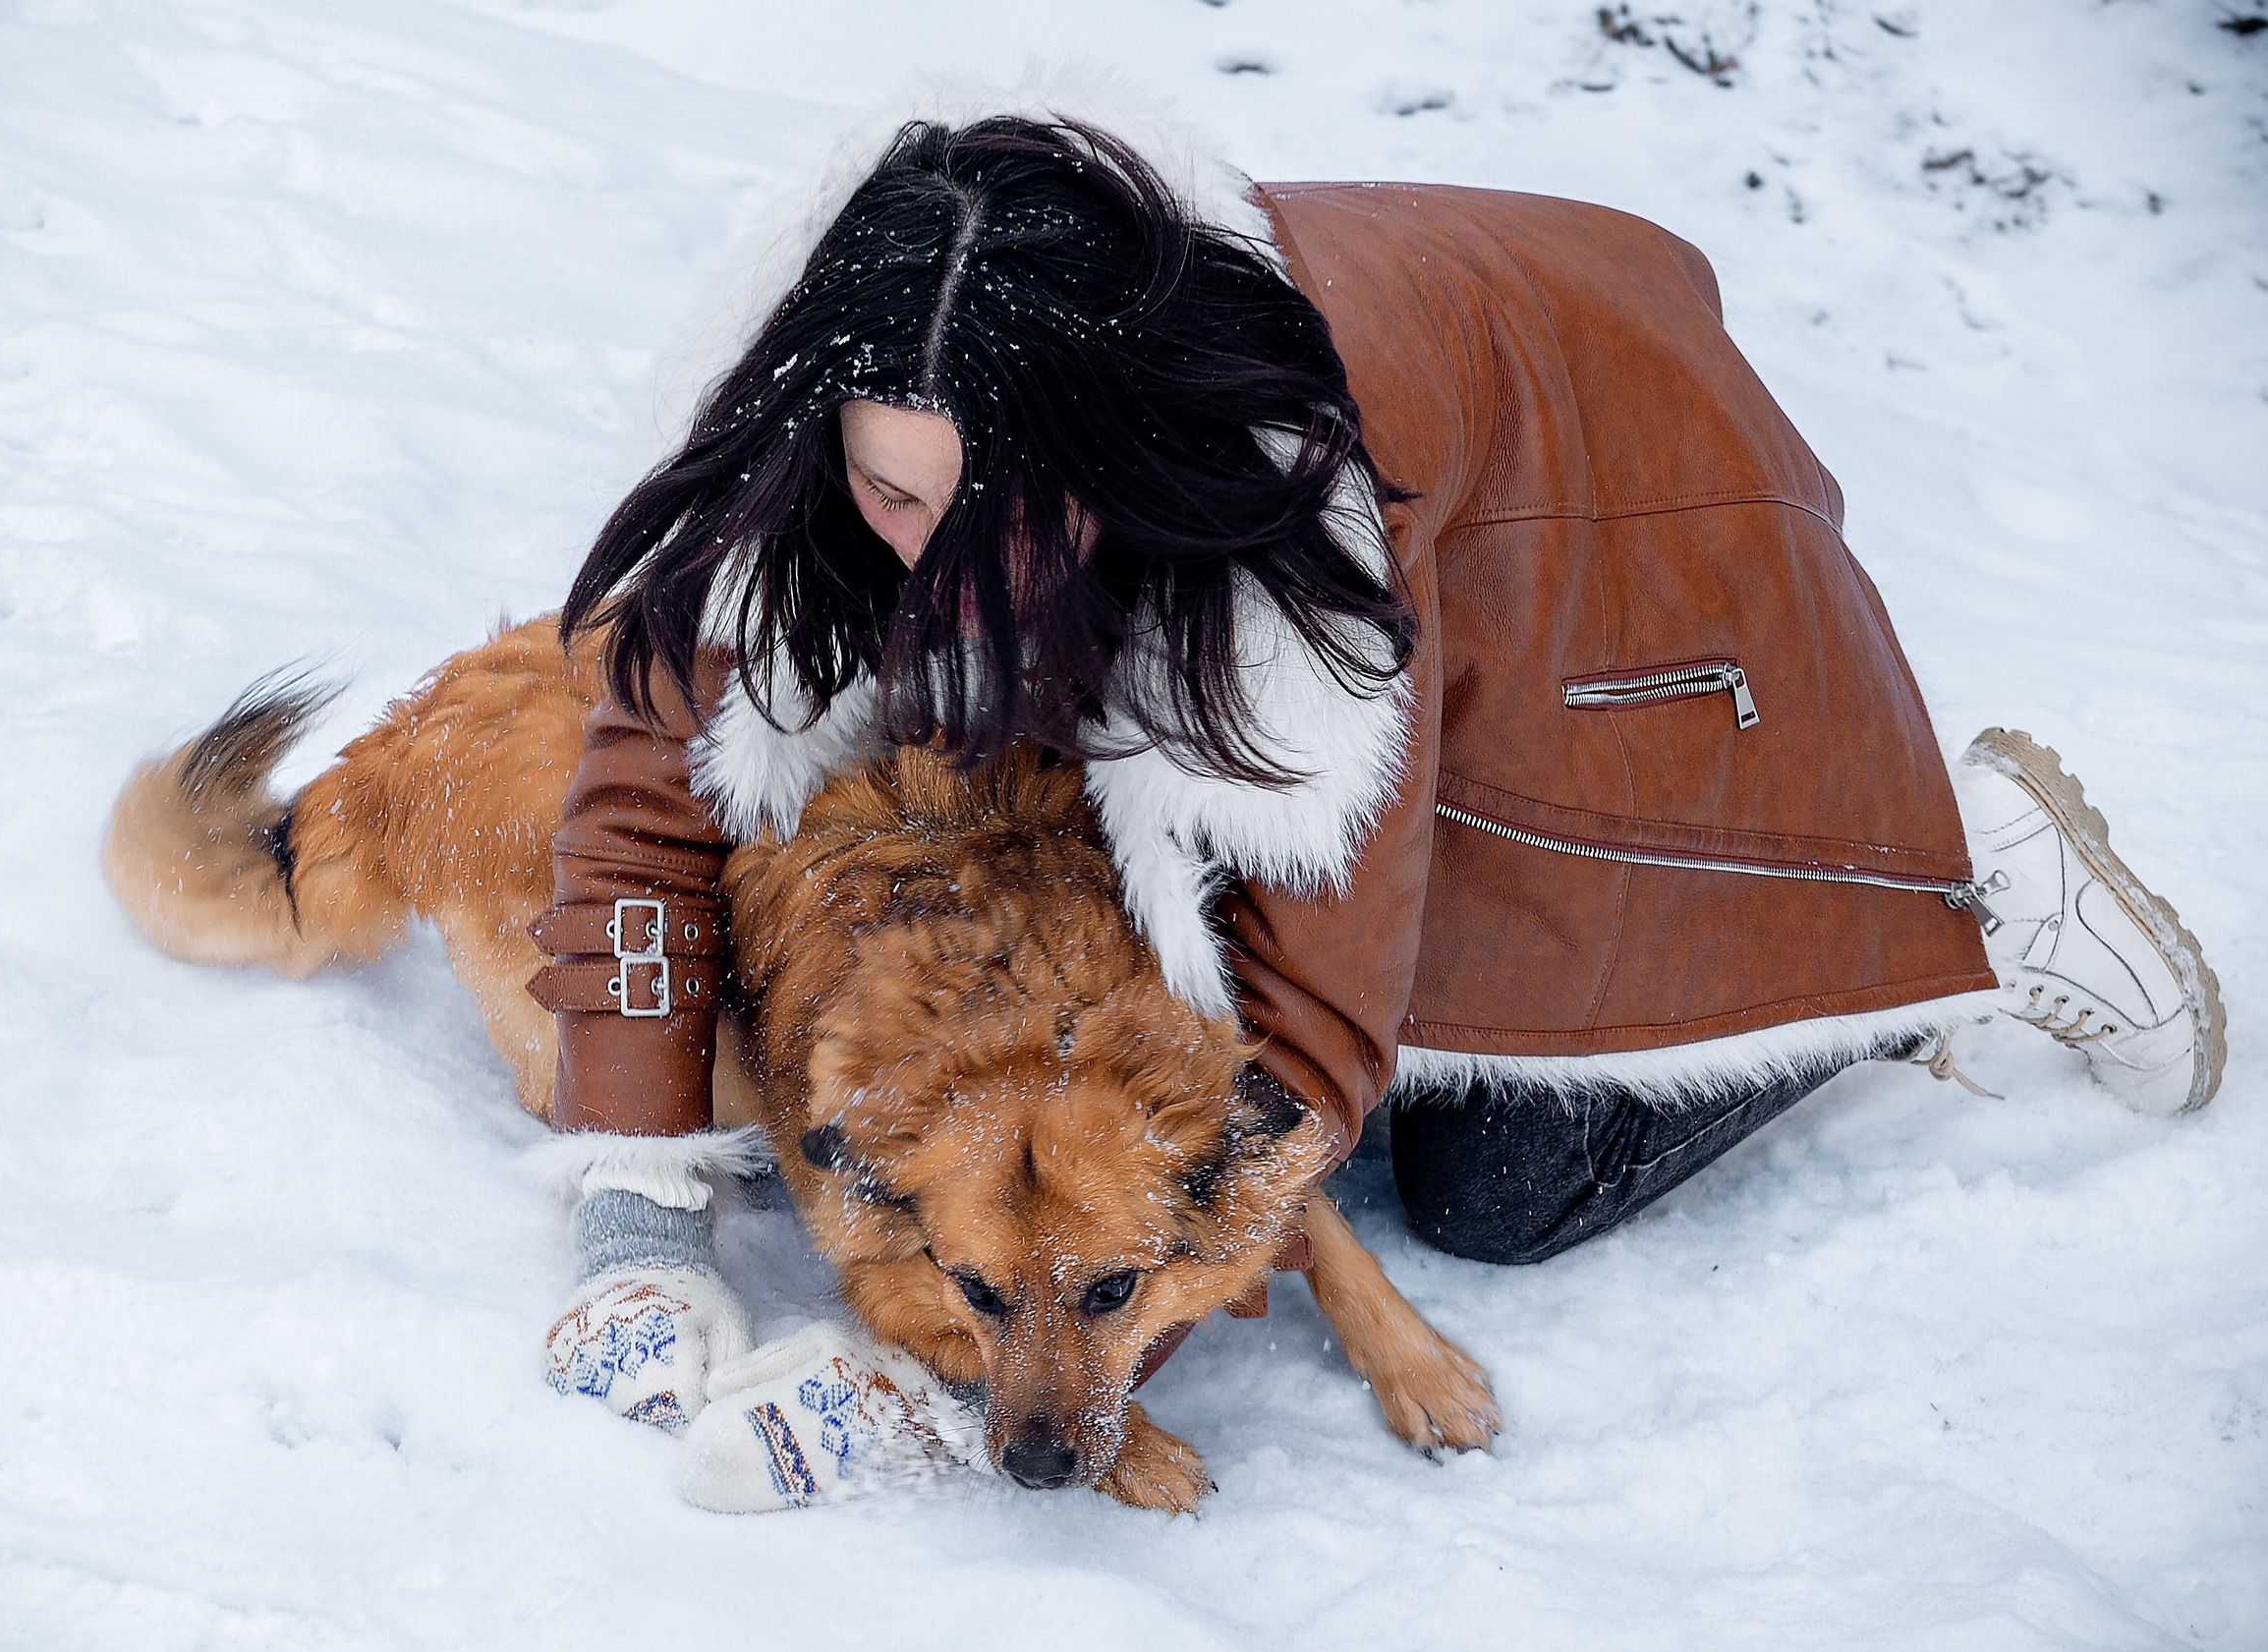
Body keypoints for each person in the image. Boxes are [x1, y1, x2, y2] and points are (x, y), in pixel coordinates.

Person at [525, 108, 2226, 1507]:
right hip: (1429, 420)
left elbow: (1316, 1019)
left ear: (1115, 449)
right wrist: (635, 1211)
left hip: (1604, 527)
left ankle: (1943, 894)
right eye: (890, 492)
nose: (932, 556)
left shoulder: (1303, 518)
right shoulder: (837, 420)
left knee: (1492, 1180)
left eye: (999, 510)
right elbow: (639, 829)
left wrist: (1044, 1349)